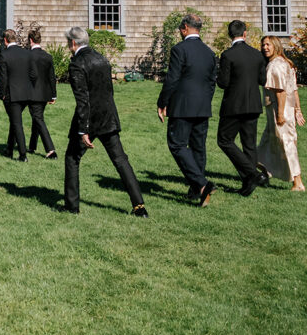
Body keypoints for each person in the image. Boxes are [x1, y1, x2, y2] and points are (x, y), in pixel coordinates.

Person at [64, 27, 147, 216]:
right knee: (120, 160)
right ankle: (139, 206)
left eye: (69, 42)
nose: (68, 46)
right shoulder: (102, 58)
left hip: (90, 118)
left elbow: (82, 99)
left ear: (73, 43)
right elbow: (108, 91)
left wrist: (83, 129)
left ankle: (71, 206)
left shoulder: (77, 63)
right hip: (108, 116)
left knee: (72, 158)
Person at [157, 13, 218, 206]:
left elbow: (172, 79)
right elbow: (212, 82)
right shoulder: (209, 52)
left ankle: (201, 184)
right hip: (203, 106)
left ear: (184, 28)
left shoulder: (179, 49)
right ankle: (196, 191)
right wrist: (205, 101)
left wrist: (162, 102)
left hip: (182, 106)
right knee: (198, 147)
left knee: (177, 144)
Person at [216, 20, 267, 195]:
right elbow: (262, 80)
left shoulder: (228, 55)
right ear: (245, 34)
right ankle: (248, 183)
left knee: (224, 140)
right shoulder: (257, 55)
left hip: (234, 106)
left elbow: (223, 83)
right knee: (249, 144)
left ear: (230, 35)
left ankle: (253, 174)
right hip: (253, 104)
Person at [257, 36, 305, 191]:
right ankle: (261, 173)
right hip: (285, 110)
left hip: (280, 110)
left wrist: (280, 114)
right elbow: (294, 90)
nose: (265, 47)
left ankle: (297, 182)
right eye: (263, 45)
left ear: (275, 46)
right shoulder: (285, 63)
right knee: (266, 143)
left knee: (287, 145)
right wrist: (297, 110)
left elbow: (281, 92)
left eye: (268, 44)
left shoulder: (276, 65)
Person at [0, 29, 34, 162]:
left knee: (17, 123)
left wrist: (2, 94)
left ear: (5, 40)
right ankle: (9, 149)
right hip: (26, 93)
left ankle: (23, 154)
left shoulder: (4, 55)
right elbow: (33, 74)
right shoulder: (27, 53)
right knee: (14, 121)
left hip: (12, 94)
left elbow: (3, 77)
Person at [27, 27, 58, 158]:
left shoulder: (29, 56)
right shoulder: (47, 56)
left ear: (30, 40)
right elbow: (52, 77)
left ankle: (50, 150)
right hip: (45, 93)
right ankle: (32, 146)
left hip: (33, 93)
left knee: (38, 119)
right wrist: (53, 94)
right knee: (36, 118)